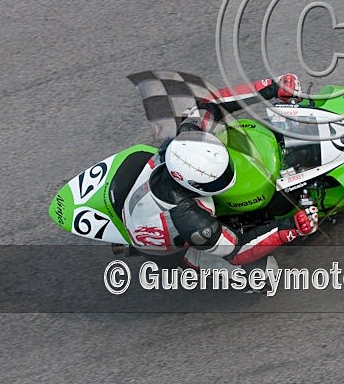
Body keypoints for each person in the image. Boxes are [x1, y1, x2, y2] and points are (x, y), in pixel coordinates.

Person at [121, 73, 318, 275]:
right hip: (173, 247)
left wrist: (271, 87)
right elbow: (238, 250)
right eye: (216, 180)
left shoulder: (190, 135)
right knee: (263, 275)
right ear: (191, 185)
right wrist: (288, 229)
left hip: (147, 189)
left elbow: (212, 103)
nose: (227, 178)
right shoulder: (193, 222)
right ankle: (192, 269)